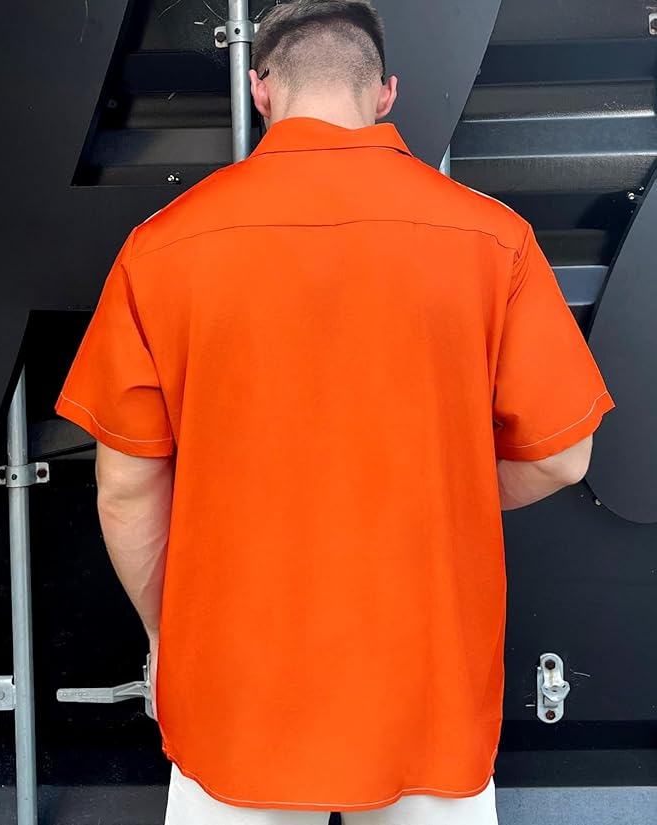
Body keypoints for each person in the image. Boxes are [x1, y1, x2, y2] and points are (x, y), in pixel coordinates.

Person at [55, 1, 615, 823]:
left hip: (237, 691)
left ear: (260, 90)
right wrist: (445, 491)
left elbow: (126, 487)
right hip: (426, 690)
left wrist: (165, 636)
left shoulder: (163, 245)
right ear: (384, 94)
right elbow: (563, 455)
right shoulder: (492, 238)